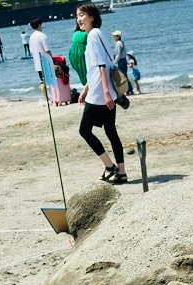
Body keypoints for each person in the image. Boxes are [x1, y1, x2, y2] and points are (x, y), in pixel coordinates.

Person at [76, 3, 128, 184]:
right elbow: (100, 66)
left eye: (82, 15)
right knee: (111, 131)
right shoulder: (98, 34)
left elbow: (101, 66)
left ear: (92, 16)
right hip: (105, 91)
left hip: (100, 94)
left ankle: (110, 166)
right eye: (77, 16)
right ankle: (122, 172)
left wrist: (104, 92)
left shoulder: (92, 36)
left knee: (84, 130)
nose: (79, 19)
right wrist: (86, 89)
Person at [69, 22, 88, 87]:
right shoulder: (86, 33)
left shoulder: (75, 33)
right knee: (87, 72)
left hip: (73, 54)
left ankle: (85, 85)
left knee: (81, 72)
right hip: (82, 53)